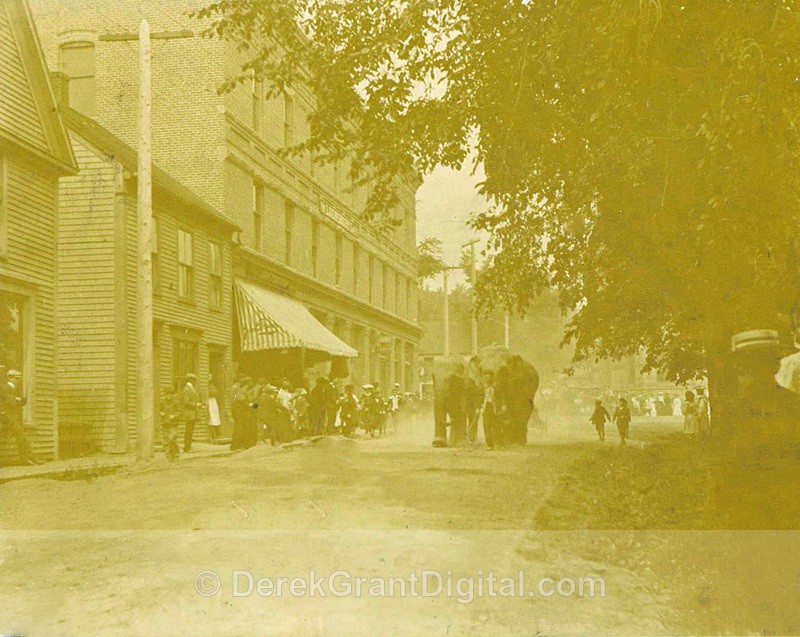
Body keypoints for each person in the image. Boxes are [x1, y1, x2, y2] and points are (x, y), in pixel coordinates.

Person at [1, 369, 39, 465]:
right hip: (7, 419)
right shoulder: (5, 388)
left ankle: (27, 459)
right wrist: (18, 400)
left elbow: (15, 402)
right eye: (17, 378)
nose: (18, 380)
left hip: (14, 418)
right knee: (22, 437)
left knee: (21, 438)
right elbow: (11, 403)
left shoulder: (14, 389)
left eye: (19, 378)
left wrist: (21, 400)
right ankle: (27, 459)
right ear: (11, 378)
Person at [179, 373, 202, 453]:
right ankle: (187, 448)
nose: (195, 382)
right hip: (189, 413)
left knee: (190, 430)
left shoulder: (191, 388)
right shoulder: (187, 389)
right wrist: (196, 404)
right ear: (190, 380)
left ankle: (188, 446)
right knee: (189, 431)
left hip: (192, 413)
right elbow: (186, 402)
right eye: (194, 380)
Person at [481, 370, 502, 450]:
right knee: (486, 426)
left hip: (494, 407)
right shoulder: (482, 386)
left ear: (492, 378)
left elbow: (501, 396)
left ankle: (498, 442)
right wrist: (478, 407)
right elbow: (478, 397)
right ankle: (489, 444)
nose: (487, 379)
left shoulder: (496, 386)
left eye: (489, 377)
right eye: (486, 377)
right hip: (486, 407)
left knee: (496, 426)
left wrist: (503, 405)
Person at [158, 386, 180, 461]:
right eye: (167, 394)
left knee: (172, 439)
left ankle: (176, 455)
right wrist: (161, 413)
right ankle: (169, 457)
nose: (168, 396)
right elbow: (159, 411)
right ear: (165, 395)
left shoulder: (176, 403)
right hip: (165, 424)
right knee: (166, 442)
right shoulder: (162, 402)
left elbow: (179, 412)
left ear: (172, 395)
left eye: (170, 394)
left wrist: (174, 415)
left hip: (173, 424)